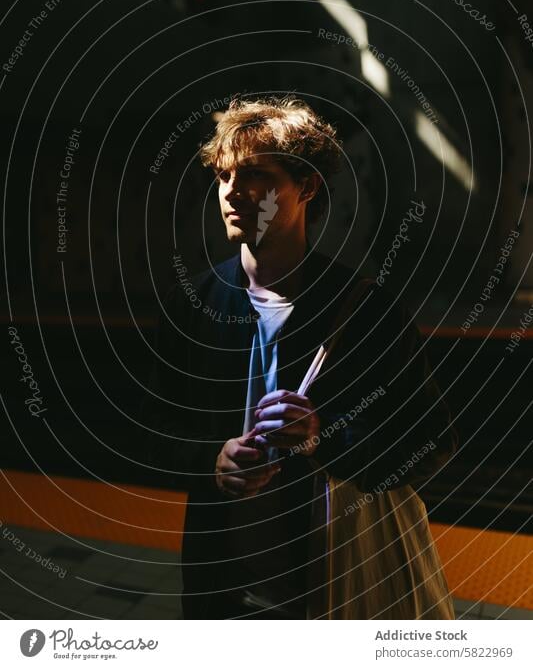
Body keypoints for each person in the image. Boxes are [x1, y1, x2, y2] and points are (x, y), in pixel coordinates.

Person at [146, 95, 458, 619]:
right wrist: (212, 459)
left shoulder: (367, 311)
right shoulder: (195, 300)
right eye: (224, 176)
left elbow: (431, 443)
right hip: (218, 589)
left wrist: (322, 437)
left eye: (255, 176)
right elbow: (154, 427)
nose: (232, 193)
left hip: (327, 584)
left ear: (307, 186)